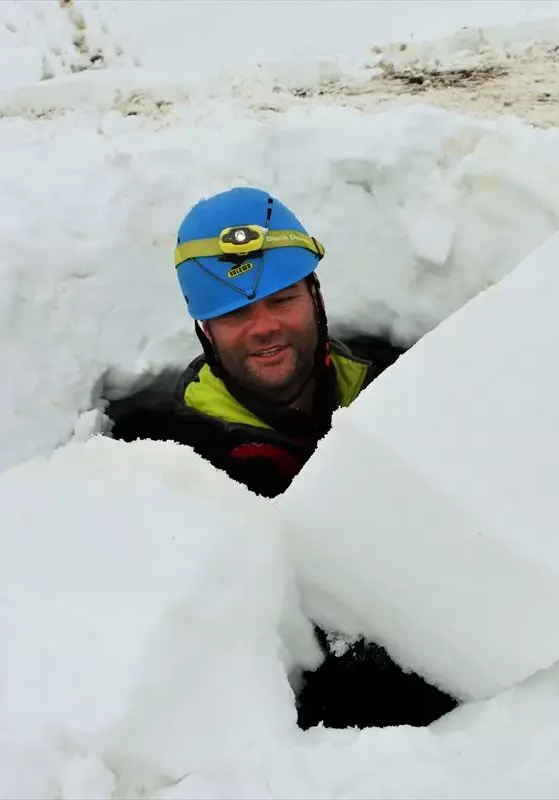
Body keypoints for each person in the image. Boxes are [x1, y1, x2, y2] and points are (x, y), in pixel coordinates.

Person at [105, 186, 459, 729]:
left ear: (315, 295)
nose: (264, 326)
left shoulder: (395, 385)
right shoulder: (172, 452)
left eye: (281, 299)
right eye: (235, 311)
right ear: (205, 328)